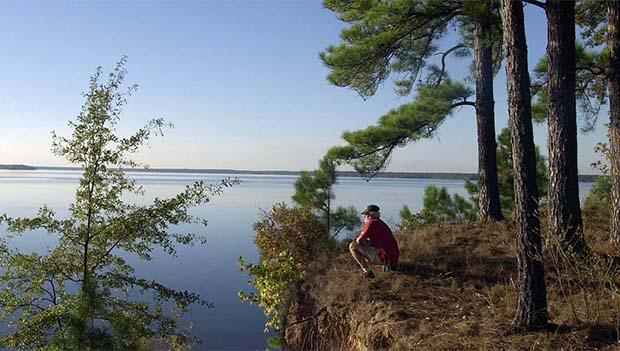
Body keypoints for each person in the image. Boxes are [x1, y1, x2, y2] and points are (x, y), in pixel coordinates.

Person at [349, 204, 400, 278]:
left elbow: (359, 241)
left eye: (366, 215)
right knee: (367, 246)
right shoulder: (380, 223)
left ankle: (366, 271)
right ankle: (389, 265)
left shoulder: (371, 223)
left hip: (384, 258)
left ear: (370, 214)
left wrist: (366, 224)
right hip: (394, 258)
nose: (365, 217)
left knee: (353, 246)